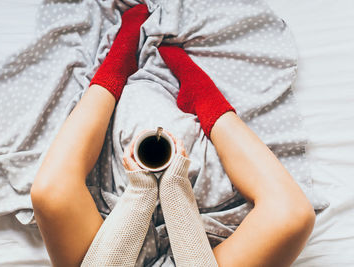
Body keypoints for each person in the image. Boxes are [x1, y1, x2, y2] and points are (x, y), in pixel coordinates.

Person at [30, 4, 316, 267]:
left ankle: (114, 70)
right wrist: (172, 185)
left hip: (106, 251)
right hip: (200, 256)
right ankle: (205, 99)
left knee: (49, 193)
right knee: (293, 216)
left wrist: (143, 190)